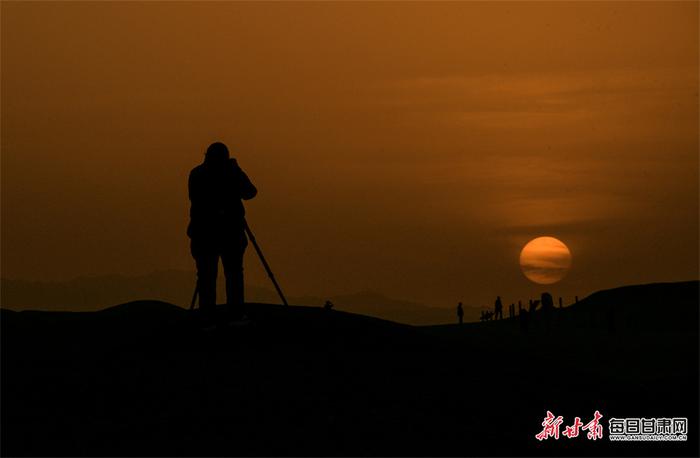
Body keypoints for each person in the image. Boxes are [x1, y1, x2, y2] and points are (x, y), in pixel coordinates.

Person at [187, 142, 257, 318]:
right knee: (232, 275)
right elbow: (250, 192)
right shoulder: (230, 174)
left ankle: (208, 317)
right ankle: (235, 314)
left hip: (204, 235)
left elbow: (250, 192)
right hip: (227, 234)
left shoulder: (196, 174)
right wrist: (236, 170)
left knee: (207, 277)